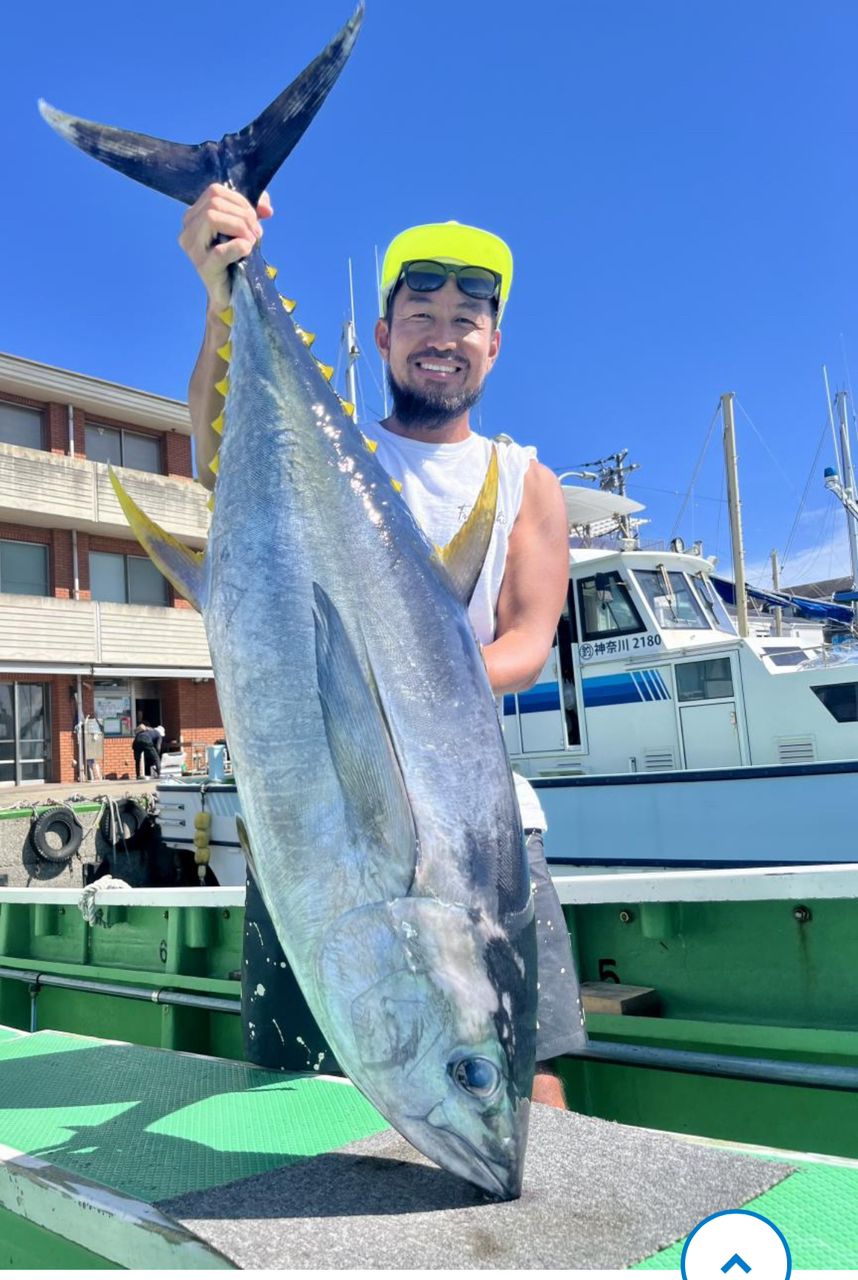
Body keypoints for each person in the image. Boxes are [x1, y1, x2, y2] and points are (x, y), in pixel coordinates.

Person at [181, 187, 586, 1104]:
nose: (443, 335)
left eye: (466, 319)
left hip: (481, 836)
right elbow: (210, 448)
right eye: (421, 316)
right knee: (295, 1080)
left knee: (525, 1065)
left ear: (494, 342)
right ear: (384, 332)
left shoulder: (525, 480)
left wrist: (408, 690)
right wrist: (221, 295)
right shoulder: (326, 449)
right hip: (313, 831)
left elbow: (526, 639)